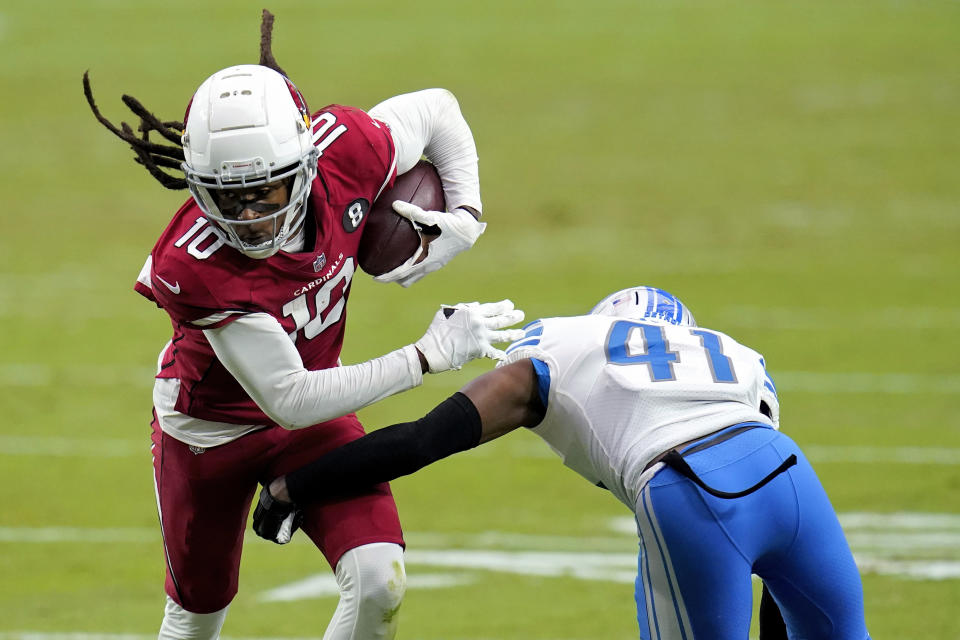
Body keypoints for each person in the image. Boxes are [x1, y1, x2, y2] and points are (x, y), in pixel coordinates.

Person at [83, 11, 526, 640]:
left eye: (266, 191)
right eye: (227, 196)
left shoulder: (346, 150)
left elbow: (438, 109)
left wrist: (467, 214)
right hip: (209, 432)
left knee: (379, 578)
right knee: (197, 617)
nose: (251, 217)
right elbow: (288, 397)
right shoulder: (195, 262)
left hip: (317, 409)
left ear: (306, 159)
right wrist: (425, 356)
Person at [254, 286, 871, 639]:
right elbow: (772, 580)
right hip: (789, 478)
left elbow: (421, 441)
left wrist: (295, 485)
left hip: (686, 487)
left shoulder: (564, 346)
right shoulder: (735, 354)